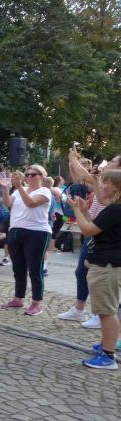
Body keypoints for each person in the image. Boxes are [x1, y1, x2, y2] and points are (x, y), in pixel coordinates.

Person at [58, 152, 121, 326]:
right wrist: (84, 210)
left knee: (107, 306)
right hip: (99, 235)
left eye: (113, 161)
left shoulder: (115, 206)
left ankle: (102, 317)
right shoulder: (110, 193)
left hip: (107, 246)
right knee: (83, 273)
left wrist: (72, 159)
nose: (108, 163)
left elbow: (83, 176)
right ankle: (89, 311)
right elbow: (92, 188)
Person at [68, 170, 121, 369]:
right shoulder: (113, 209)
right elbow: (98, 228)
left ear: (116, 187)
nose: (102, 186)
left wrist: (76, 210)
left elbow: (88, 230)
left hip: (106, 265)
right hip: (107, 263)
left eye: (106, 182)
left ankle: (108, 356)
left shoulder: (115, 210)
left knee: (106, 312)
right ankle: (107, 345)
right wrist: (85, 211)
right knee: (106, 310)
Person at [0, 165, 52, 316]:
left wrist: (20, 186)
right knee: (18, 268)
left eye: (33, 174)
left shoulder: (44, 191)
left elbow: (30, 203)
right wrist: (5, 188)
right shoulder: (18, 191)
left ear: (41, 176)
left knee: (35, 269)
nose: (28, 177)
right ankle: (18, 298)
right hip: (16, 230)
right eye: (27, 174)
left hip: (37, 232)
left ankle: (36, 303)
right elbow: (7, 203)